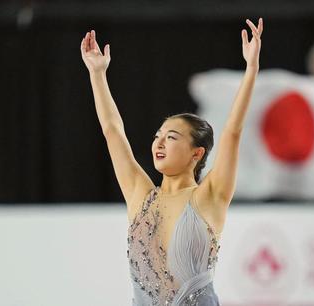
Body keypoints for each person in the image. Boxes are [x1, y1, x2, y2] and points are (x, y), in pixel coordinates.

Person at [80, 17, 263, 305]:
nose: (160, 142)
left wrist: (251, 69)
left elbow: (233, 131)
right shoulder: (140, 195)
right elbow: (113, 132)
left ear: (197, 153)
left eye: (172, 137)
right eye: (158, 135)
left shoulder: (210, 196)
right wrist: (97, 73)